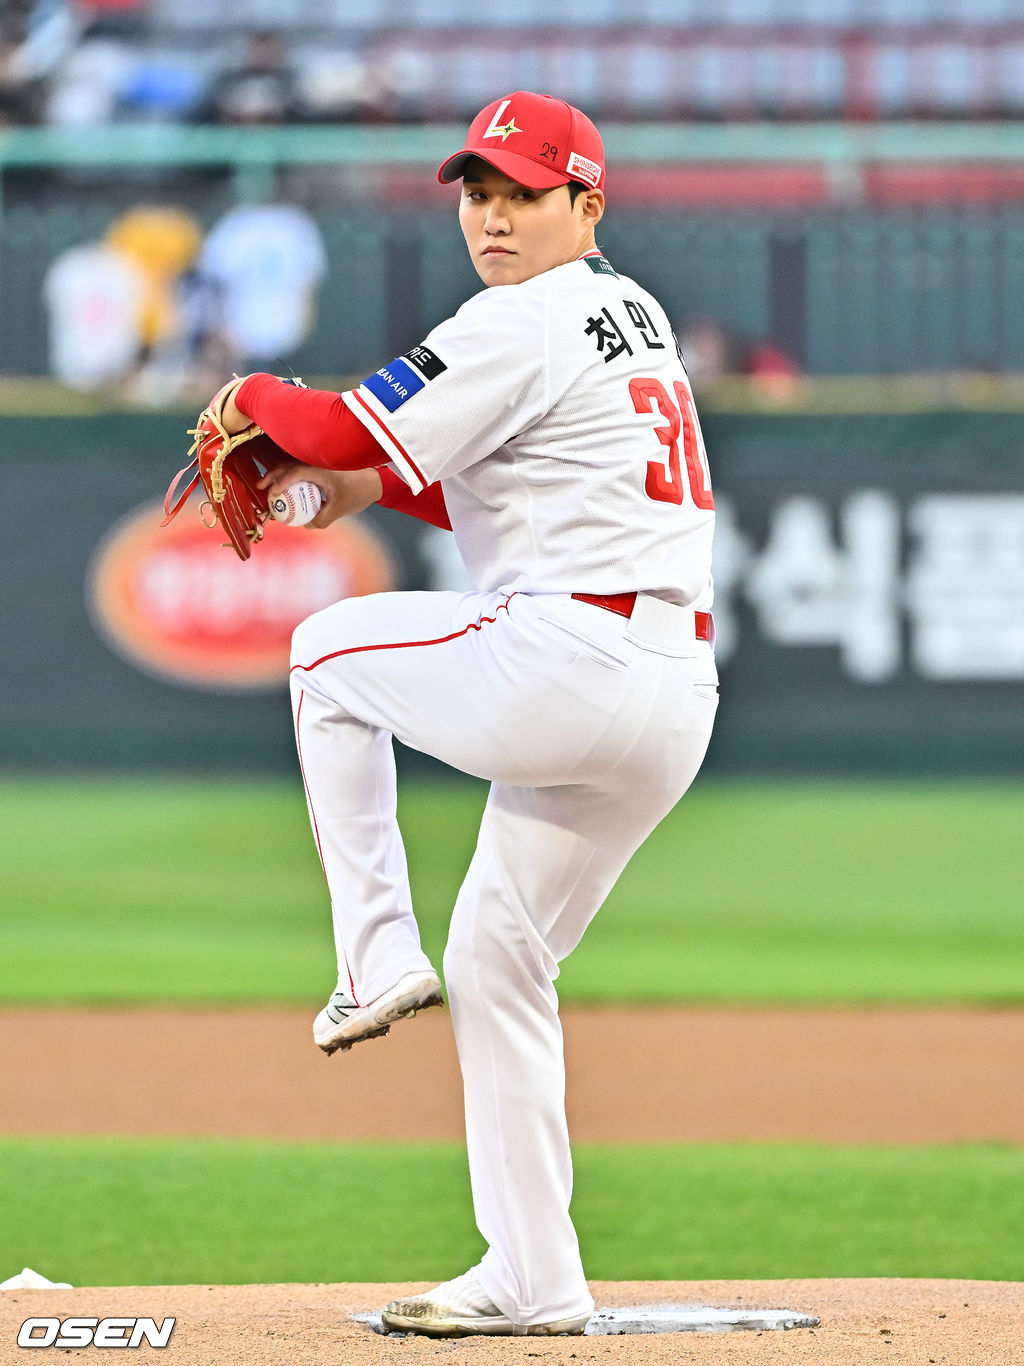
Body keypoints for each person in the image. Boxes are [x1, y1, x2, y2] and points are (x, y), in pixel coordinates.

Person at [212, 90, 718, 1337]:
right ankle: (533, 1274)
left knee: (325, 655)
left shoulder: (519, 316)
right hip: (670, 693)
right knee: (501, 956)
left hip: (571, 659)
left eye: (521, 194)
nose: (491, 216)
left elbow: (338, 422)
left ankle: (374, 956)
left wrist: (251, 391)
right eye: (477, 193)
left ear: (586, 203)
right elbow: (486, 482)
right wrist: (334, 490)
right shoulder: (628, 311)